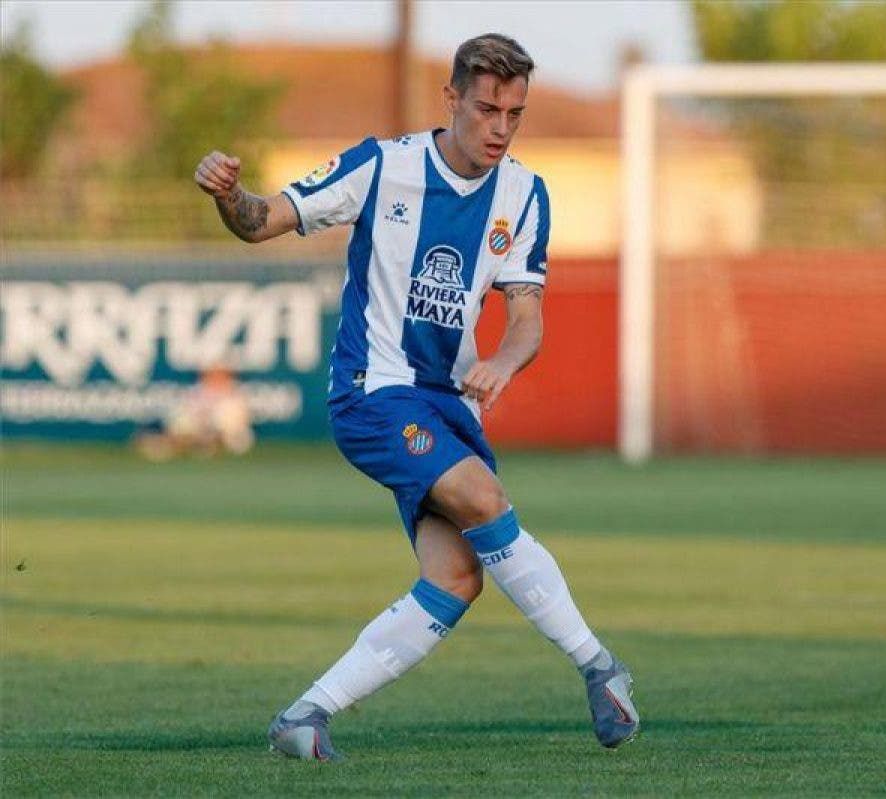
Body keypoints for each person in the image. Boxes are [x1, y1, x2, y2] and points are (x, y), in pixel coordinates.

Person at [193, 33, 638, 760]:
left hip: (447, 406)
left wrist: (503, 360)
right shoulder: (383, 166)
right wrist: (228, 193)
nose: (499, 127)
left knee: (458, 577)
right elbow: (263, 218)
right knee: (487, 501)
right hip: (373, 391)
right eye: (487, 108)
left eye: (514, 113)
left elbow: (527, 318)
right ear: (453, 98)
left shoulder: (524, 194)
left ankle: (305, 717)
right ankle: (599, 667)